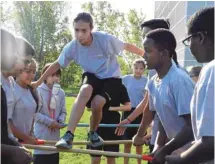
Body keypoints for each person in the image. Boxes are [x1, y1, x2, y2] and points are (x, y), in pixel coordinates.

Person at [32, 12, 144, 149]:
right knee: (84, 90)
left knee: (97, 104)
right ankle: (68, 135)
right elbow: (56, 64)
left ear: (91, 29)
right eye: (76, 30)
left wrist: (145, 54)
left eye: (84, 30)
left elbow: (126, 46)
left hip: (111, 78)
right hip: (91, 75)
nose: (80, 35)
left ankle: (93, 132)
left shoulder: (104, 39)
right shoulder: (72, 47)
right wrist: (38, 82)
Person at [135, 29, 195, 164]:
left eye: (148, 51)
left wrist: (165, 150)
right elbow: (163, 117)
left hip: (192, 155)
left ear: (164, 53)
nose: (144, 56)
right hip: (174, 152)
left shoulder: (179, 80)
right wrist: (158, 146)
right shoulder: (152, 82)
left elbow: (192, 127)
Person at [116, 19, 171, 158]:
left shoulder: (177, 78)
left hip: (171, 144)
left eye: (147, 36)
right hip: (157, 139)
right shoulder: (153, 72)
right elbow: (148, 104)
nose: (143, 41)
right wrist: (129, 121)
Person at [165, 7, 214, 164]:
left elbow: (211, 142)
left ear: (200, 37)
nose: (190, 46)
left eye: (188, 40)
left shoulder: (211, 70)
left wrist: (179, 159)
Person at [1, 28, 33, 164]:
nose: (15, 56)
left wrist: (15, 145)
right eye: (12, 51)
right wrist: (12, 150)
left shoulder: (7, 85)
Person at [88, 80, 131, 164]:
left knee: (111, 157)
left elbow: (128, 106)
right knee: (95, 157)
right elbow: (88, 104)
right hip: (96, 125)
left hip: (112, 125)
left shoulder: (119, 86)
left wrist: (111, 108)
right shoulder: (96, 84)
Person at [33, 63, 67, 164]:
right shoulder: (38, 91)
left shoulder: (61, 93)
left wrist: (60, 121)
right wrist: (50, 122)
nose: (55, 78)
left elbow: (63, 111)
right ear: (44, 76)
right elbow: (35, 114)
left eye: (58, 75)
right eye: (52, 75)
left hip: (55, 140)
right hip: (41, 137)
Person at [118, 59, 147, 164]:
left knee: (139, 141)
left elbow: (148, 98)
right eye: (136, 68)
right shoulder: (125, 79)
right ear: (132, 68)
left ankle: (139, 162)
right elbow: (117, 91)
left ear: (144, 69)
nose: (138, 70)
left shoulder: (146, 81)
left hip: (140, 113)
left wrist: (145, 95)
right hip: (127, 111)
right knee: (127, 142)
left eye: (141, 68)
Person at [8, 58, 39, 145]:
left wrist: (31, 134)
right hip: (11, 142)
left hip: (25, 142)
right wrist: (26, 138)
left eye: (34, 72)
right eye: (28, 71)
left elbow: (32, 115)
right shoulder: (11, 89)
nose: (32, 75)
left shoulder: (32, 91)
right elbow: (6, 121)